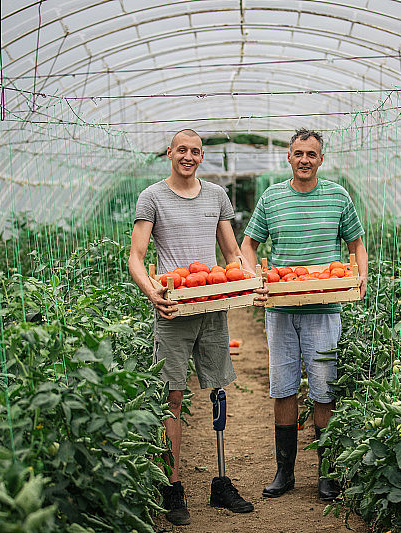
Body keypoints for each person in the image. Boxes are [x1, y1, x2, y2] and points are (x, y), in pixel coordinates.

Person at [128, 129, 260, 525]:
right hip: (174, 308)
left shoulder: (217, 196)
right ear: (169, 153)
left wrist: (248, 281)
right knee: (172, 396)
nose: (188, 156)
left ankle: (220, 482)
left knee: (218, 389)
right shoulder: (152, 197)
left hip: (212, 307)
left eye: (195, 151)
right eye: (181, 150)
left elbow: (232, 252)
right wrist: (152, 292)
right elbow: (136, 257)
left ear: (202, 157)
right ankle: (172, 487)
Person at [241, 128, 368, 502]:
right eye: (299, 153)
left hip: (324, 309)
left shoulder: (338, 196)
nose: (305, 160)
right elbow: (248, 244)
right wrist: (253, 279)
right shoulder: (272, 197)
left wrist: (361, 276)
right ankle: (285, 472)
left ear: (321, 159)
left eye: (312, 154)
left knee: (324, 389)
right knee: (283, 388)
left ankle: (327, 474)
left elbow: (356, 244)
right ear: (289, 157)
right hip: (280, 309)